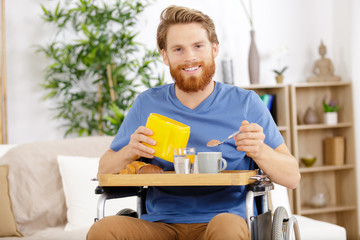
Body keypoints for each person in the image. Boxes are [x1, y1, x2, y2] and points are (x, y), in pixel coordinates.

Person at [87, 5, 300, 240]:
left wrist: (259, 150)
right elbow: (104, 171)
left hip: (223, 221)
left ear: (214, 49)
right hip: (160, 225)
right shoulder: (147, 104)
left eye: (198, 46)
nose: (189, 57)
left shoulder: (246, 103)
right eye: (178, 49)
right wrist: (129, 151)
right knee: (103, 230)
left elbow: (292, 177)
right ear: (165, 55)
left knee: (226, 225)